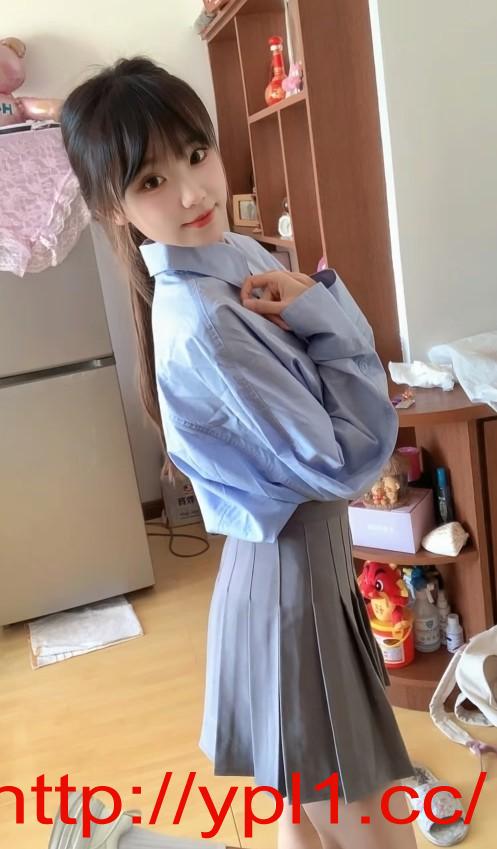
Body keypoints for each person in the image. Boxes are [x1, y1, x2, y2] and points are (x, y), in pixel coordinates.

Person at [59, 57, 418, 849]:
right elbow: (343, 459)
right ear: (112, 207)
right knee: (372, 834)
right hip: (292, 592)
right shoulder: (208, 321)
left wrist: (316, 311)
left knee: (307, 820)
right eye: (152, 180)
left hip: (292, 583)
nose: (193, 192)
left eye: (196, 154)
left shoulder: (237, 259)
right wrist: (329, 319)